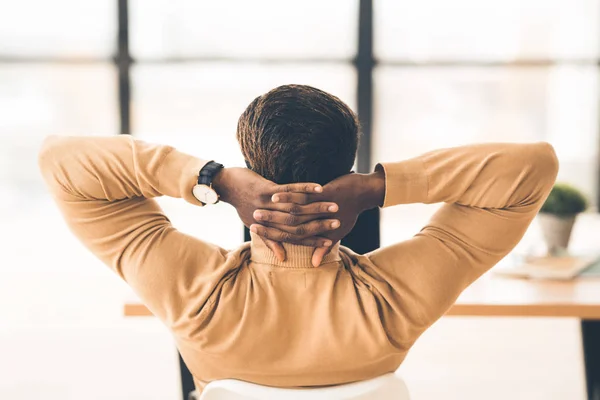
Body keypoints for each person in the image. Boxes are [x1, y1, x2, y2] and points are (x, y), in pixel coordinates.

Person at [39, 84, 558, 394]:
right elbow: (532, 167)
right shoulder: (397, 299)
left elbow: (60, 161)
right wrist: (378, 188)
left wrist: (212, 179)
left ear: (251, 170)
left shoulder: (193, 294)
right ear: (346, 168)